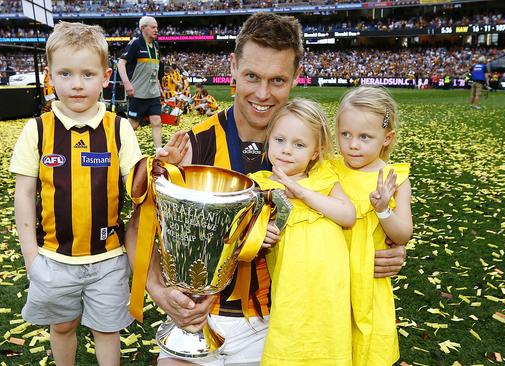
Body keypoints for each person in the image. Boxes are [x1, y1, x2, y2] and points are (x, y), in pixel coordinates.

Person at [147, 12, 406, 365]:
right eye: (252, 76)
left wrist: (386, 248)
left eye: (278, 80)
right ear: (233, 65)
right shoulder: (197, 145)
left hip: (280, 321)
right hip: (201, 314)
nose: (263, 94)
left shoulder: (317, 158)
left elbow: (358, 213)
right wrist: (159, 291)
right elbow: (145, 223)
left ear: (295, 77)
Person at [10, 22, 141, 366]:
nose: (77, 84)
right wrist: (30, 257)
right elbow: (24, 194)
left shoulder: (119, 128)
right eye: (65, 73)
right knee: (63, 325)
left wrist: (161, 168)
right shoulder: (37, 129)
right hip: (54, 259)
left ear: (105, 76)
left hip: (108, 259)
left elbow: (137, 185)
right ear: (50, 75)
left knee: (107, 331)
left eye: (87, 73)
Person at [250, 99, 354, 365]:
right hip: (291, 288)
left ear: (316, 152)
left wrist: (302, 193)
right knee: (289, 342)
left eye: (299, 145)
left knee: (329, 344)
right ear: (269, 140)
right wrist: (262, 233)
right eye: (280, 140)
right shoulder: (260, 185)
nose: (287, 151)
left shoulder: (322, 179)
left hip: (331, 287)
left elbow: (347, 215)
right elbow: (247, 234)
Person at [330, 86, 413, 366]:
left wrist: (383, 211)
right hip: (332, 280)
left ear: (386, 138)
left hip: (370, 283)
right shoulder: (329, 169)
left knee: (367, 348)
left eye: (365, 137)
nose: (353, 145)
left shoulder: (394, 179)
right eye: (346, 135)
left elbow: (403, 233)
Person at [117, 16, 164, 149]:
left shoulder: (156, 46)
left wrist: (159, 86)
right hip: (138, 93)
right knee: (133, 124)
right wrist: (127, 84)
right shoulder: (135, 44)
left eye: (157, 27)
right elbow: (121, 63)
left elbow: (154, 69)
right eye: (153, 27)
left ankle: (159, 150)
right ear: (143, 28)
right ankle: (119, 146)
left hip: (153, 93)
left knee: (156, 121)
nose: (156, 30)